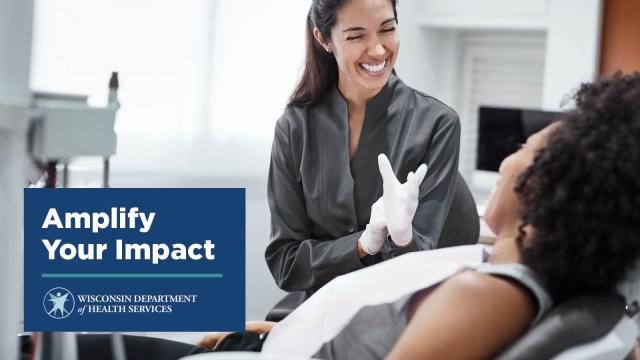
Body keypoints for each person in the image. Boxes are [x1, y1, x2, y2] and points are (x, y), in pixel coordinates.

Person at [196, 72, 640, 358]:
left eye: (525, 149)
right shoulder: (490, 270)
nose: (507, 159)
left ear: (548, 186)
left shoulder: (484, 298)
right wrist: (277, 334)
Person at [266, 0, 468, 307]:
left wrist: (403, 240)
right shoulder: (294, 128)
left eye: (387, 29)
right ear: (323, 40)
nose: (377, 50)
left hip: (394, 318)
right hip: (313, 311)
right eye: (356, 36)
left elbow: (422, 268)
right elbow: (286, 264)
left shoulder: (437, 125)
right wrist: (361, 245)